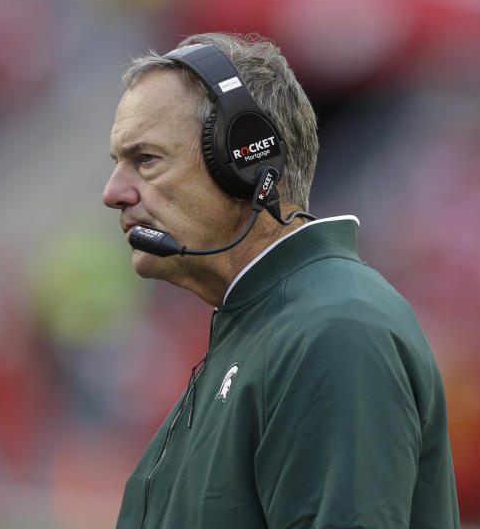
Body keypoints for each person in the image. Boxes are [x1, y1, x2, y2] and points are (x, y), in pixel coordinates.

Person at [102, 32, 459, 528]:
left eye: (146, 160)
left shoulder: (334, 330)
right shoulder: (265, 329)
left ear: (245, 161)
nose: (113, 192)